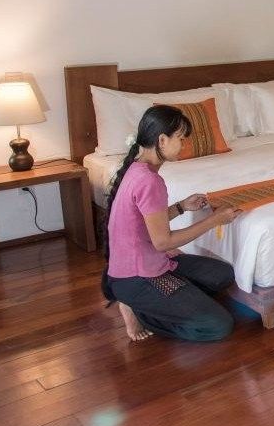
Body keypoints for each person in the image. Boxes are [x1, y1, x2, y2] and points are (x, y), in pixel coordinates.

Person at [101, 105, 241, 342]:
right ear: (162, 140)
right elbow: (163, 242)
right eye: (181, 138)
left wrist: (181, 207)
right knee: (218, 325)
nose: (184, 145)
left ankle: (171, 296)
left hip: (148, 263)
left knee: (222, 274)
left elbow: (143, 220)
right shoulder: (149, 181)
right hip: (139, 277)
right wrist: (214, 220)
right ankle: (140, 310)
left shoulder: (137, 168)